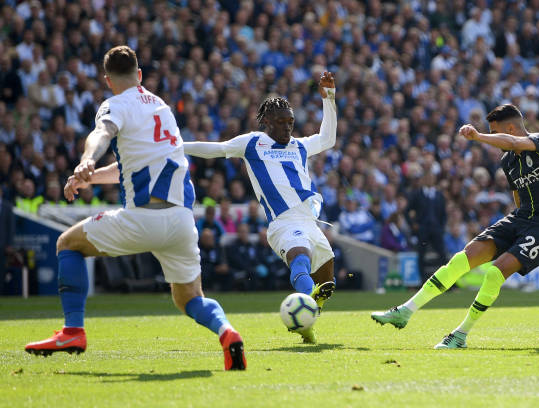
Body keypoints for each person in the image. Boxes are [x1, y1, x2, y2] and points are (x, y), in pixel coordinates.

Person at [24, 46, 246, 370]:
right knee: (189, 299)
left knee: (67, 245)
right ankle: (228, 333)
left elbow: (101, 133)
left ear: (108, 81)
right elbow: (132, 165)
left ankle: (73, 331)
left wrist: (86, 160)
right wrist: (91, 178)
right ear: (139, 75)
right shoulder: (162, 108)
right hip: (182, 221)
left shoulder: (115, 105)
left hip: (141, 219)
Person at [372, 104, 539, 349]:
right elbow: (517, 196)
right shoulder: (508, 160)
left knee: (495, 272)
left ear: (509, 129)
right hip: (521, 217)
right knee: (464, 257)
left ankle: (460, 335)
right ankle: (405, 310)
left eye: (495, 132)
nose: (494, 138)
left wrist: (478, 136)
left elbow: (515, 143)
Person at [184, 71, 337, 344]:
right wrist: (176, 147)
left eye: (290, 121)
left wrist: (329, 99)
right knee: (299, 259)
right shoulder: (253, 143)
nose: (287, 127)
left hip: (309, 222)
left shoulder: (300, 146)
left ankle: (306, 322)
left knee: (326, 286)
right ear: (266, 122)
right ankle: (305, 308)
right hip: (283, 223)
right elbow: (216, 149)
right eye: (281, 122)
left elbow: (327, 139)